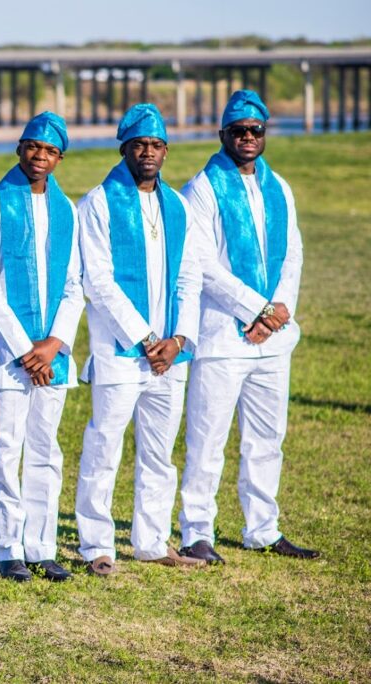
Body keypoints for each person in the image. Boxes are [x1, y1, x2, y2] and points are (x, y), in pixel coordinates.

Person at [177, 90, 319, 563]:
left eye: (255, 130)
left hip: (273, 341)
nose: (247, 138)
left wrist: (278, 314)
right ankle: (197, 531)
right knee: (207, 438)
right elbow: (200, 263)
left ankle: (263, 528)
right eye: (238, 131)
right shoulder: (201, 188)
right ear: (222, 135)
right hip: (222, 336)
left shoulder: (280, 187)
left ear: (265, 134)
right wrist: (255, 309)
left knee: (267, 439)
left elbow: (293, 255)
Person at [74, 104, 204, 576]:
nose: (147, 153)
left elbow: (191, 276)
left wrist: (179, 337)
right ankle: (96, 545)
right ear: (124, 148)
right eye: (139, 145)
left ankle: (151, 541)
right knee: (104, 446)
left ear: (166, 151)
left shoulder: (179, 207)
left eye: (155, 145)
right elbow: (99, 281)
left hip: (171, 356)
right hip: (120, 353)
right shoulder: (98, 203)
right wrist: (148, 337)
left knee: (159, 452)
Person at [0, 111, 84, 583]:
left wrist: (54, 344)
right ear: (20, 149)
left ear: (59, 159)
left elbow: (75, 284)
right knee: (5, 448)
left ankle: (42, 545)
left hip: (52, 356)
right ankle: (8, 547)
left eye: (50, 151)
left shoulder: (67, 210)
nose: (40, 157)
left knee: (46, 450)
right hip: (8, 354)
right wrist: (25, 350)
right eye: (33, 147)